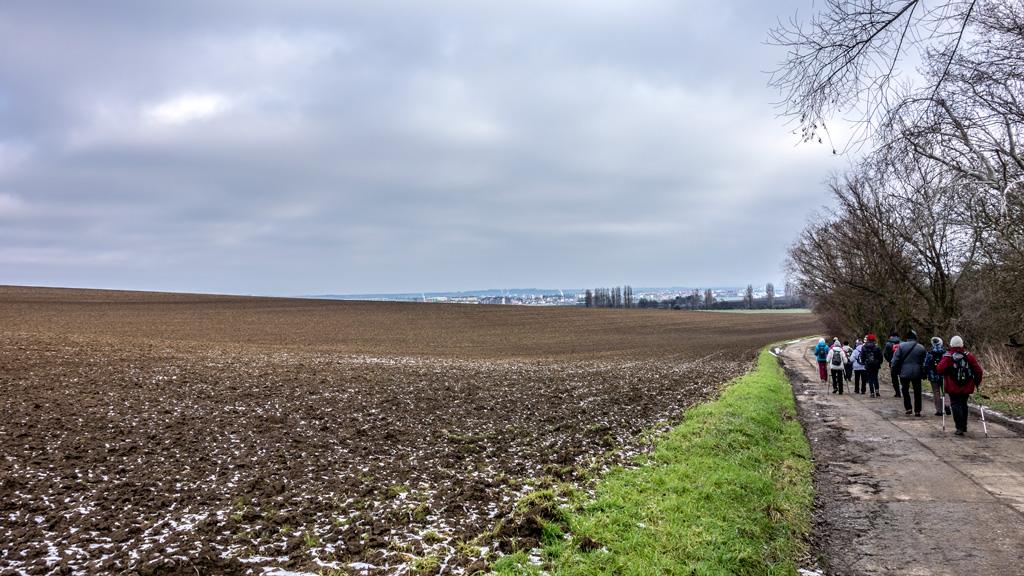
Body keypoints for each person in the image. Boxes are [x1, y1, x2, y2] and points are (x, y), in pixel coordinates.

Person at [937, 335, 984, 436]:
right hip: (967, 385)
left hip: (952, 386)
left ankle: (959, 428)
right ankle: (964, 425)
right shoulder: (969, 356)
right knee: (963, 404)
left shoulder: (947, 356)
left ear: (951, 344)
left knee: (955, 404)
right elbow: (978, 371)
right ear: (962, 344)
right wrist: (977, 381)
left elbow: (939, 369)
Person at [891, 330, 927, 416]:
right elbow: (925, 361)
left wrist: (893, 369)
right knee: (917, 391)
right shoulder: (921, 347)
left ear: (907, 338)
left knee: (905, 390)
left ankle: (908, 407)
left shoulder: (901, 346)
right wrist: (924, 372)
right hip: (917, 372)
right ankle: (917, 410)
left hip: (904, 372)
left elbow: (896, 359)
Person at [923, 337, 951, 417]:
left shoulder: (930, 354)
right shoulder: (945, 353)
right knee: (945, 391)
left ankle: (939, 410)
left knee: (936, 392)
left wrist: (925, 373)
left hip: (933, 376)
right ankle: (947, 404)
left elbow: (925, 365)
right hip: (944, 375)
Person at [884, 331, 902, 397]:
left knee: (894, 378)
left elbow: (885, 354)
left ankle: (897, 392)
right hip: (901, 364)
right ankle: (905, 390)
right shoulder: (902, 343)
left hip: (893, 363)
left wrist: (890, 360)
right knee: (902, 377)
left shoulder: (888, 344)